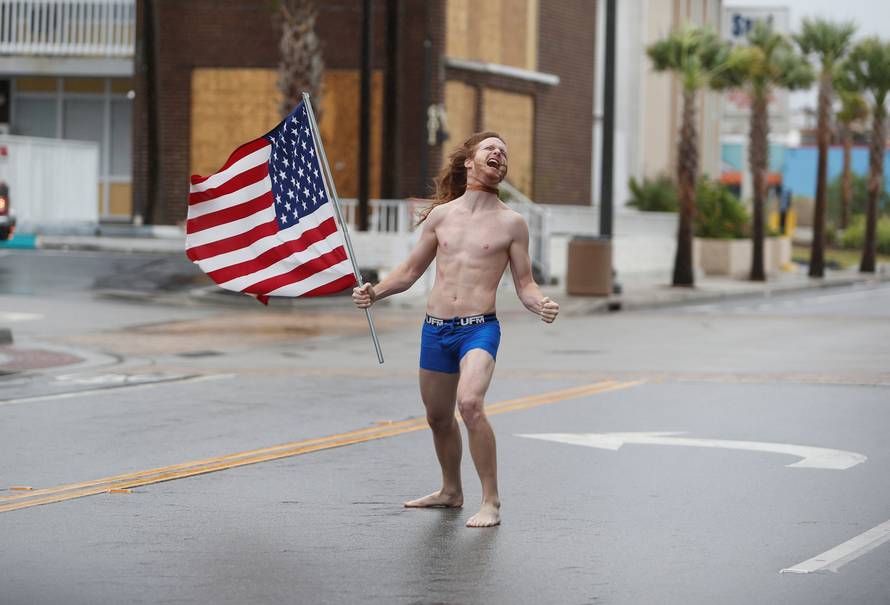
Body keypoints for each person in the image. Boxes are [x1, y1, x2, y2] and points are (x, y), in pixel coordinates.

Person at [352, 132, 559, 528]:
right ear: (469, 161)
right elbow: (411, 271)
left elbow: (525, 284)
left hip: (479, 329)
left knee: (470, 404)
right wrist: (374, 292)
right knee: (438, 417)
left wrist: (540, 304)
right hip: (435, 329)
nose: (498, 153)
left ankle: (491, 501)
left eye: (504, 150)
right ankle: (451, 491)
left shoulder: (512, 224)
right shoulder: (441, 216)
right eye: (490, 149)